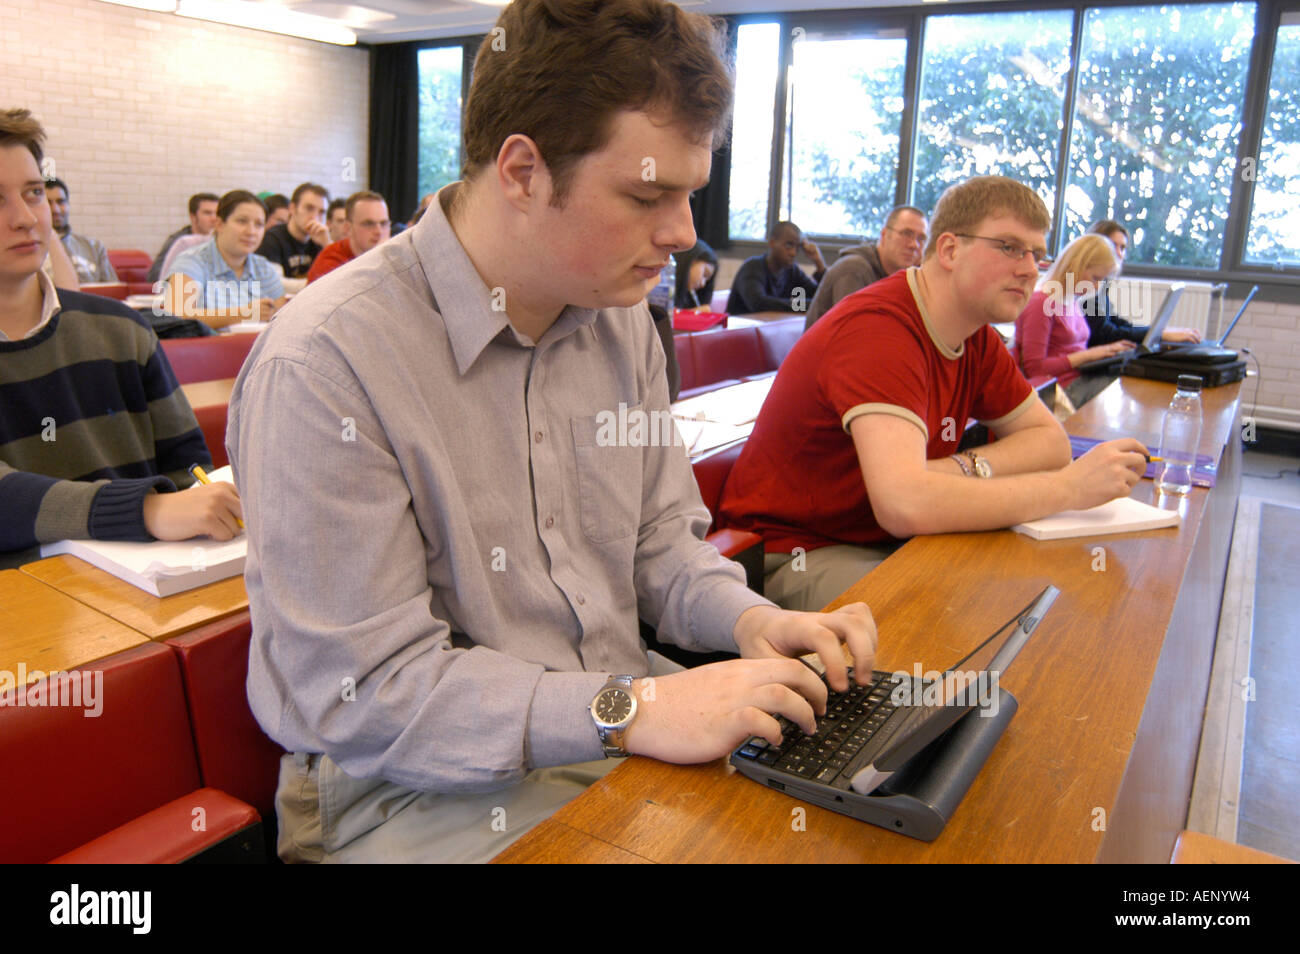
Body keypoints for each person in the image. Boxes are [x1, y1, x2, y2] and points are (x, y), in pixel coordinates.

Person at [227, 0, 875, 865]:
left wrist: (751, 621)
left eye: (690, 192)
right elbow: (372, 694)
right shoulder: (323, 365)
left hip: (612, 716)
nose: (684, 234)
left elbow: (658, 546)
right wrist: (633, 711)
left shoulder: (618, 322)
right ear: (524, 172)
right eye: (649, 194)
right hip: (405, 789)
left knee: (858, 820)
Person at [717, 176, 1150, 613]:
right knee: (950, 621)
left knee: (1024, 599)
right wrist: (1068, 490)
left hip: (881, 537)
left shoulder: (974, 334)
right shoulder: (881, 330)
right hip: (792, 552)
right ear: (949, 250)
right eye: (1010, 247)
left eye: (1037, 254)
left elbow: (1050, 444)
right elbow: (905, 505)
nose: (1030, 268)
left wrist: (955, 470)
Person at [0, 108, 242, 568]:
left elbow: (187, 466)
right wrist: (145, 509)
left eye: (33, 194)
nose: (26, 218)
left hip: (150, 582)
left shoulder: (121, 328)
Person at [1014, 233, 1134, 408]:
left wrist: (1104, 352)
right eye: (1095, 278)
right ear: (1075, 266)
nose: (1096, 287)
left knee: (1126, 382)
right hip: (1058, 391)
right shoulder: (1041, 303)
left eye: (1102, 280)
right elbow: (1035, 369)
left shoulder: (1071, 300)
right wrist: (1089, 355)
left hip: (1078, 379)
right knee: (1120, 395)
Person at [163, 190, 287, 329]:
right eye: (242, 221)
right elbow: (177, 316)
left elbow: (281, 319)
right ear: (219, 224)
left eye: (259, 224)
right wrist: (244, 314)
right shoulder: (190, 262)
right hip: (206, 349)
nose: (251, 232)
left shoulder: (263, 267)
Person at [804, 205, 928, 329]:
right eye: (906, 234)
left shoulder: (904, 279)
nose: (914, 245)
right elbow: (853, 335)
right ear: (884, 235)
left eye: (921, 239)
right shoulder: (853, 269)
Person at [1082, 219, 1201, 347]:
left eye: (1122, 248)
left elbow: (1115, 323)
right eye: (1112, 245)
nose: (1118, 253)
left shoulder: (1102, 281)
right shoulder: (1083, 281)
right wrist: (1159, 335)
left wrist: (1157, 332)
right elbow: (1104, 334)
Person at [725, 221, 826, 314]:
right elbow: (759, 304)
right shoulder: (752, 267)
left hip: (772, 330)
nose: (793, 253)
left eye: (797, 248)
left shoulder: (792, 271)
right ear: (772, 243)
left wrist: (819, 263)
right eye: (789, 245)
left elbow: (821, 297)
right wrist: (808, 305)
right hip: (739, 330)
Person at [305, 190, 391, 283]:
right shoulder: (330, 263)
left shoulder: (393, 257)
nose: (379, 231)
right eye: (368, 223)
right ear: (348, 227)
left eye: (384, 223)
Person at [44, 177, 116, 284]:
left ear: (68, 205)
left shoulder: (94, 248)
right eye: (48, 203)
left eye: (61, 202)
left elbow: (113, 291)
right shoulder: (32, 252)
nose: (55, 210)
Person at [255, 183, 329, 278]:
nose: (315, 217)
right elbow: (275, 284)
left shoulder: (321, 241)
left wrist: (328, 245)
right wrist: (316, 285)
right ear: (292, 208)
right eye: (309, 208)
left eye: (322, 212)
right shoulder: (272, 239)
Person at [147, 193, 219, 285]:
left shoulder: (220, 243)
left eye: (217, 213)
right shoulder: (181, 242)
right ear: (193, 217)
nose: (214, 218)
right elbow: (155, 276)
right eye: (207, 213)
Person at [673, 238, 717, 309]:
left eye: (707, 280)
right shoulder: (663, 287)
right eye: (705, 274)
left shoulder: (688, 297)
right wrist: (691, 314)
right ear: (691, 260)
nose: (703, 284)